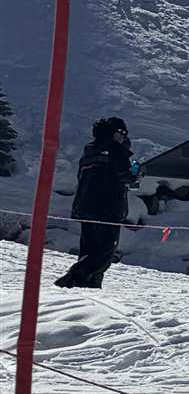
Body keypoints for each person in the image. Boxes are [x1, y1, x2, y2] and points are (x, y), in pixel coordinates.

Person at [54, 117, 135, 288]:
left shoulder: (89, 151)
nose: (123, 136)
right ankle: (75, 277)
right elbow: (125, 176)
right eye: (121, 132)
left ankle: (89, 285)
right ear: (112, 133)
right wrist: (136, 175)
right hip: (108, 207)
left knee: (89, 247)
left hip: (84, 207)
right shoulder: (115, 150)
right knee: (105, 251)